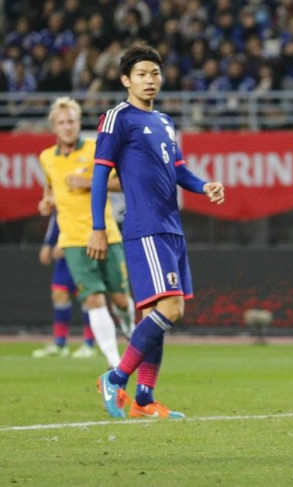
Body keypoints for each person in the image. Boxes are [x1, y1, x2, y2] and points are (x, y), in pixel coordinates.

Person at [88, 44, 225, 419]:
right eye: (142, 74)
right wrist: (98, 228)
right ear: (125, 80)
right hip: (145, 227)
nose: (151, 80)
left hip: (171, 228)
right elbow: (99, 176)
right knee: (171, 308)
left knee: (153, 314)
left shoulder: (164, 121)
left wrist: (204, 186)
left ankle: (144, 400)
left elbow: (179, 170)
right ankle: (115, 378)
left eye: (155, 74)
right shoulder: (117, 118)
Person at [38, 96, 136, 369]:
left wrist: (88, 181)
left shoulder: (97, 149)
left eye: (71, 121)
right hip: (72, 242)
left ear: (79, 123)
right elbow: (51, 188)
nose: (67, 127)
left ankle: (131, 335)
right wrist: (47, 201)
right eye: (61, 123)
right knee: (93, 299)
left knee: (118, 298)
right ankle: (115, 363)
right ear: (54, 127)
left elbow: (124, 181)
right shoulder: (47, 158)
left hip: (106, 235)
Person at [31, 212, 96, 359]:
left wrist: (71, 245)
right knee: (59, 293)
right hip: (65, 254)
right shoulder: (61, 197)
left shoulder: (88, 194)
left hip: (84, 250)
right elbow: (57, 217)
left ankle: (89, 344)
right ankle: (60, 344)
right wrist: (48, 244)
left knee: (88, 296)